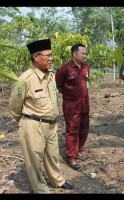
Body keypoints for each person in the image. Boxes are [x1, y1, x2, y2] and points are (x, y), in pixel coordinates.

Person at [9, 39, 74, 193]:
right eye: (47, 56)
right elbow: (14, 106)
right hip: (33, 124)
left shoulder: (51, 75)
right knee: (34, 160)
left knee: (53, 155)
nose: (51, 59)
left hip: (51, 124)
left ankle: (57, 181)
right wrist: (26, 122)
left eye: (51, 55)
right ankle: (40, 189)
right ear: (36, 57)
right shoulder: (25, 79)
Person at [56, 44, 90, 170]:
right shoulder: (65, 69)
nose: (84, 56)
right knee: (72, 131)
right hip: (71, 106)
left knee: (84, 130)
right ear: (74, 54)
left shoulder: (86, 67)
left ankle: (78, 150)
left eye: (85, 53)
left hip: (85, 105)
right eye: (82, 53)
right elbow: (59, 86)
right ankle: (71, 157)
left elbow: (86, 84)